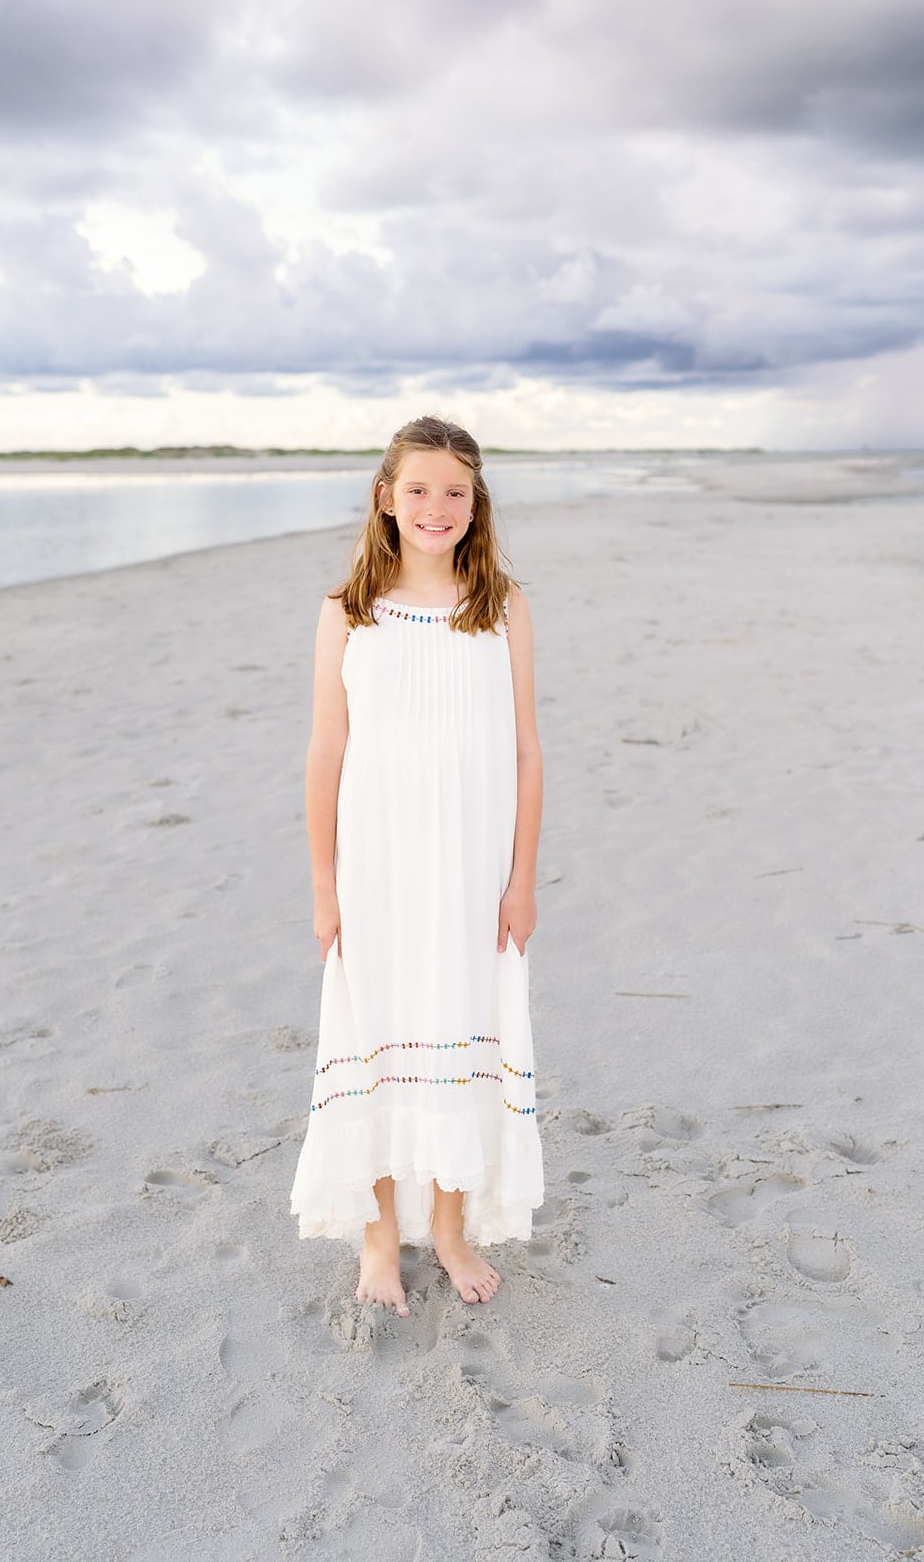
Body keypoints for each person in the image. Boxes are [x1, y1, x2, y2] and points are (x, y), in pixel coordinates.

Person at [289, 415, 545, 1317]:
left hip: (473, 865)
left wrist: (520, 880)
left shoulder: (500, 605)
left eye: (455, 492)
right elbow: (326, 752)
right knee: (379, 1040)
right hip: (378, 865)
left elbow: (524, 754)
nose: (436, 507)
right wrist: (324, 886)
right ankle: (376, 1242)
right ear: (384, 499)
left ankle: (446, 1228)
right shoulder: (347, 611)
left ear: (476, 507)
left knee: (458, 1030)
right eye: (418, 490)